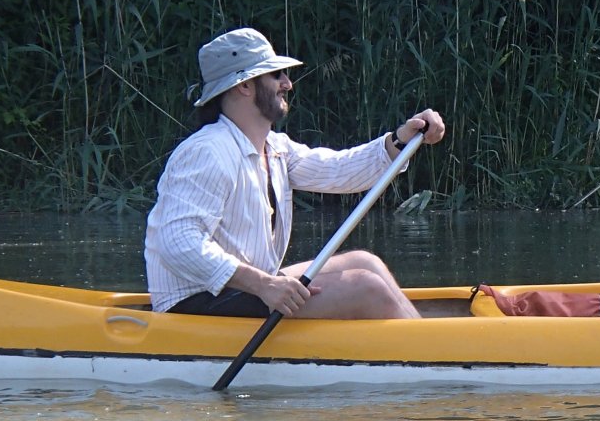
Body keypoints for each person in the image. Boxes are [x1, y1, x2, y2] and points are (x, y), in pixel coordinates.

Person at [144, 27, 447, 320]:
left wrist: (400, 140)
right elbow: (179, 243)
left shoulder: (276, 148)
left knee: (366, 263)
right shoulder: (208, 151)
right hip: (195, 303)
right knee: (365, 288)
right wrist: (264, 285)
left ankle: (428, 343)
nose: (288, 84)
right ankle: (434, 353)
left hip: (246, 289)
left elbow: (339, 170)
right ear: (244, 85)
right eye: (276, 75)